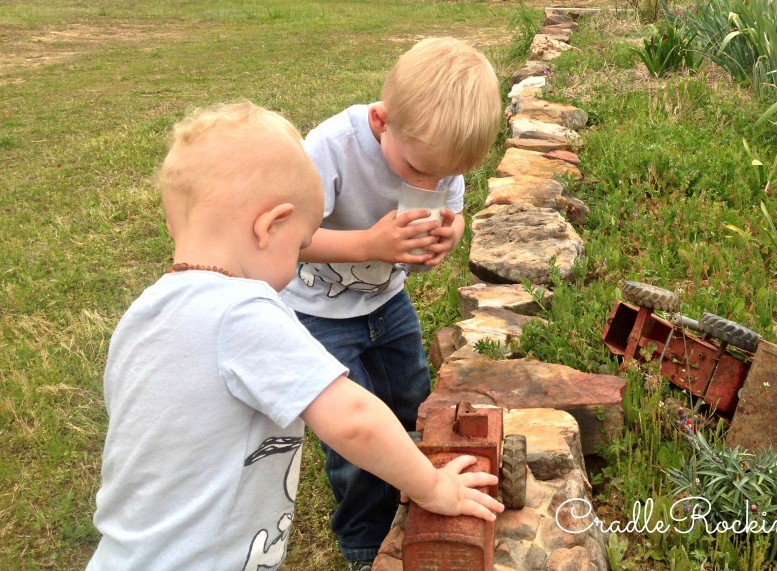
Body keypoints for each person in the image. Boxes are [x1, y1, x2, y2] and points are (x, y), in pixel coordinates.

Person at [88, 101, 502, 571]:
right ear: (270, 227)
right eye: (302, 242)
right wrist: (433, 486)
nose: (299, 256)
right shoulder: (244, 312)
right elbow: (354, 420)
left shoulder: (142, 314)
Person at [279, 38, 503, 568]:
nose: (427, 185)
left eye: (442, 176)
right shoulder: (331, 148)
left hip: (387, 305)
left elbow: (454, 210)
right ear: (381, 122)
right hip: (319, 314)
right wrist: (368, 246)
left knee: (411, 401)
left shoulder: (436, 152)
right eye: (415, 170)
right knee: (354, 440)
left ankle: (415, 499)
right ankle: (365, 542)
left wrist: (451, 234)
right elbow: (290, 240)